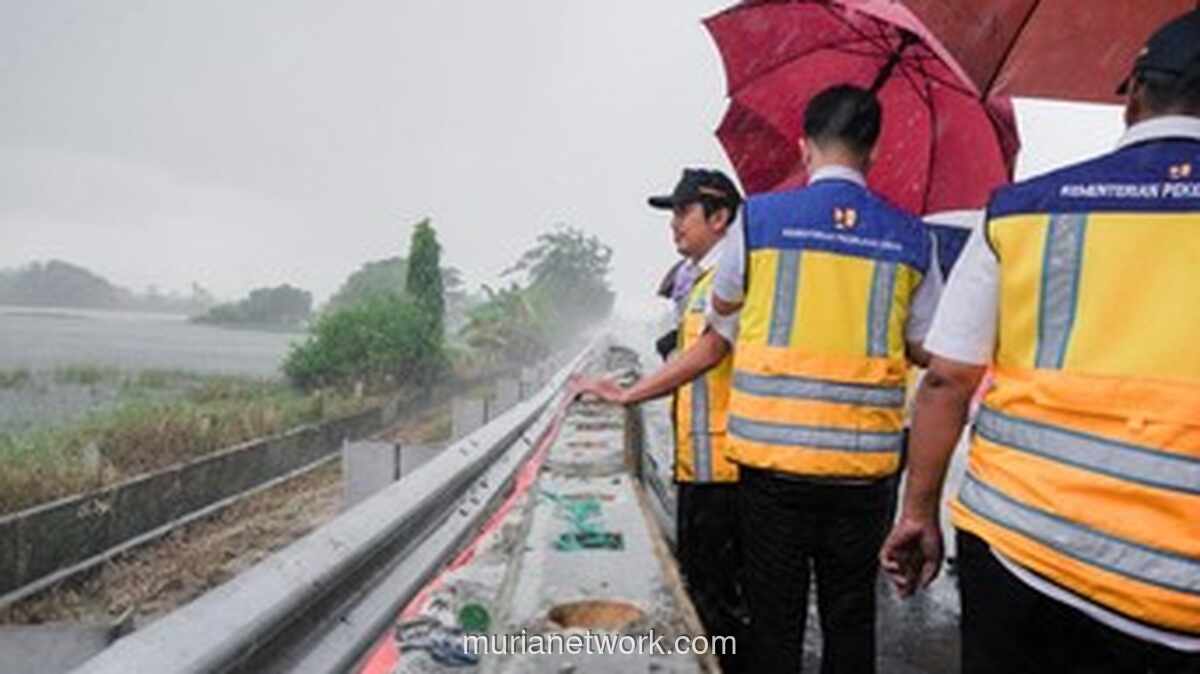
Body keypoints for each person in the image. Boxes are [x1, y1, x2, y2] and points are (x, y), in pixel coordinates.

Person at [880, 10, 1200, 673]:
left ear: (1135, 92)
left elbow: (946, 380)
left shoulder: (1023, 210)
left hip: (1023, 554)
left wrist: (918, 511)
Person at [709, 83, 943, 674]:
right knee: (849, 618)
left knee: (775, 621)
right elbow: (924, 348)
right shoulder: (912, 237)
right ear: (874, 153)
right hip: (863, 475)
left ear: (804, 145)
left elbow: (724, 304)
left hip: (773, 465)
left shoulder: (759, 218)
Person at [572, 167, 747, 673]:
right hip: (702, 467)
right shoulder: (701, 283)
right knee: (707, 603)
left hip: (726, 472)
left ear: (719, 217)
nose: (674, 225)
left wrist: (628, 394)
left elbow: (711, 352)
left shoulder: (728, 281)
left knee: (722, 615)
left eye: (683, 212)